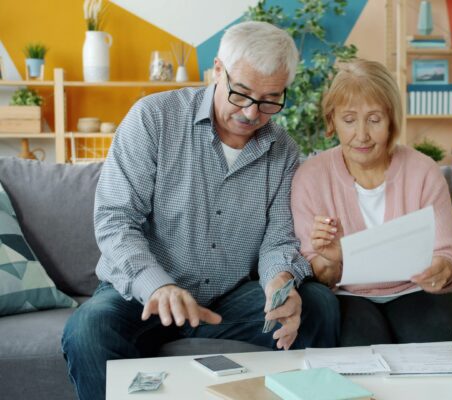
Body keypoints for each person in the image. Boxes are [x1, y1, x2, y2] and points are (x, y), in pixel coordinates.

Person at [62, 21, 339, 400]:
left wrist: (280, 283)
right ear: (218, 71)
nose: (252, 113)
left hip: (229, 297)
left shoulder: (283, 150)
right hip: (144, 296)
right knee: (87, 330)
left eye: (270, 99)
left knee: (317, 306)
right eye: (241, 94)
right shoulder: (153, 118)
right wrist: (158, 285)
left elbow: (279, 239)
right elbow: (115, 220)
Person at [291, 59, 452, 346]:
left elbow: (451, 256)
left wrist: (442, 270)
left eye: (374, 120)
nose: (362, 135)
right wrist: (331, 260)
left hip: (414, 290)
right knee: (362, 356)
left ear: (392, 121)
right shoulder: (310, 177)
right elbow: (319, 276)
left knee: (436, 356)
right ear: (331, 120)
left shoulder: (423, 170)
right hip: (348, 294)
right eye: (349, 120)